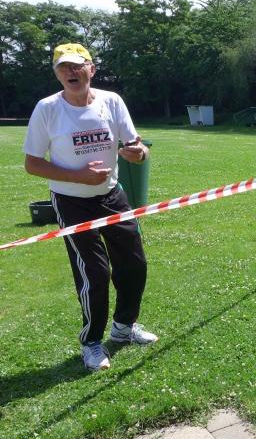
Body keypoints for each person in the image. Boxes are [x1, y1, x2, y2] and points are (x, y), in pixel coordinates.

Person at [22, 43, 158, 372]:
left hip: (111, 195)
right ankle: (92, 342)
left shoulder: (112, 101)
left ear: (91, 70)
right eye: (63, 67)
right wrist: (78, 176)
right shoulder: (47, 109)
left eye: (77, 65)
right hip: (71, 201)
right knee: (94, 273)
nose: (70, 72)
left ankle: (124, 327)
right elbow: (32, 163)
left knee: (134, 264)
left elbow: (137, 146)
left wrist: (138, 153)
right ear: (57, 75)